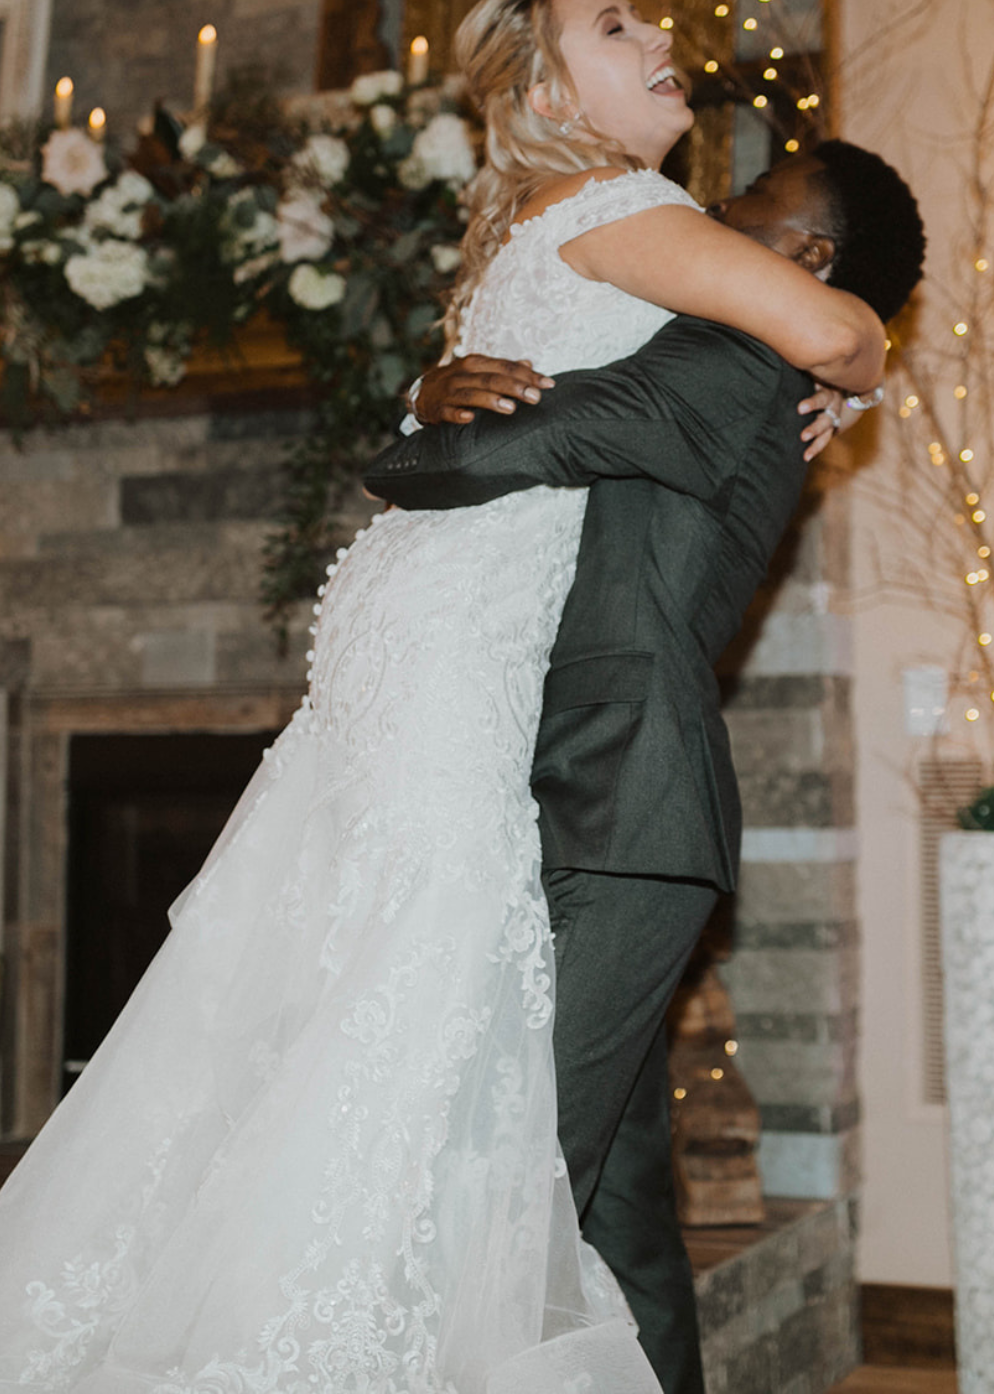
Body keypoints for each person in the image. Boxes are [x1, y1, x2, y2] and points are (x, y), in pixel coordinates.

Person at [0, 0, 887, 1394]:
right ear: (547, 96)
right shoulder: (622, 213)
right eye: (619, 30)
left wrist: (421, 399)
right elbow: (833, 333)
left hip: (406, 630)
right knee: (434, 1057)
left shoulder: (532, 236)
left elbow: (492, 416)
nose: (663, 41)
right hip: (459, 649)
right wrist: (858, 363)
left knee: (385, 1015)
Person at [364, 139, 926, 1394]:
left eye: (744, 206)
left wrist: (412, 413)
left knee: (503, 1181)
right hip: (609, 805)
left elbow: (463, 457)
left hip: (623, 813)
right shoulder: (759, 362)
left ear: (806, 260)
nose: (708, 213)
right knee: (612, 1207)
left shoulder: (728, 360)